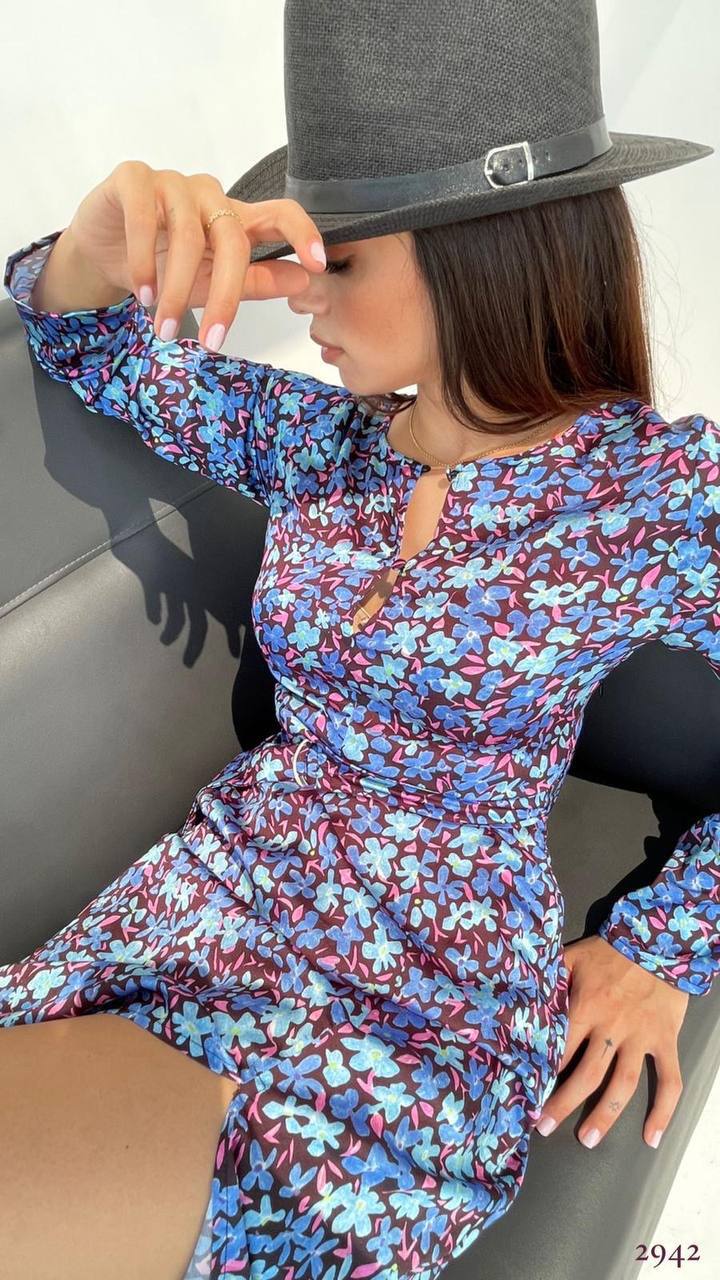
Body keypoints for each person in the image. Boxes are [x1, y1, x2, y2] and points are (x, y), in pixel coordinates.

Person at [1, 1, 718, 1277]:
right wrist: (96, 241)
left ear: (482, 253)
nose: (302, 296)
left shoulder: (650, 495)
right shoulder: (327, 443)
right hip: (199, 901)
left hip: (410, 1004)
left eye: (341, 259)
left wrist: (666, 944)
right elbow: (84, 341)